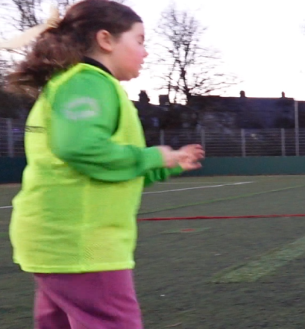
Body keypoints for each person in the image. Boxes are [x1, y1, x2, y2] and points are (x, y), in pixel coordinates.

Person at [6, 1, 205, 327]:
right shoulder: (87, 81)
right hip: (80, 245)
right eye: (139, 41)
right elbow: (80, 148)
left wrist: (164, 164)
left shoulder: (77, 83)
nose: (146, 52)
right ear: (106, 40)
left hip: (60, 243)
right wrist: (153, 156)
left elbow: (104, 168)